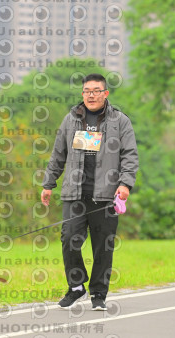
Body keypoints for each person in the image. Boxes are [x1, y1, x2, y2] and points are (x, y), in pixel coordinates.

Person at [41, 73, 139, 311]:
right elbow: (58, 154)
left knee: (103, 246)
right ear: (82, 93)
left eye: (96, 91)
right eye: (87, 91)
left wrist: (125, 184)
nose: (91, 95)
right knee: (69, 239)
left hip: (105, 196)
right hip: (74, 194)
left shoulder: (120, 121)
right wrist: (48, 184)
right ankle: (76, 286)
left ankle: (98, 293)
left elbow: (130, 155)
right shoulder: (71, 119)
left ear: (105, 93)